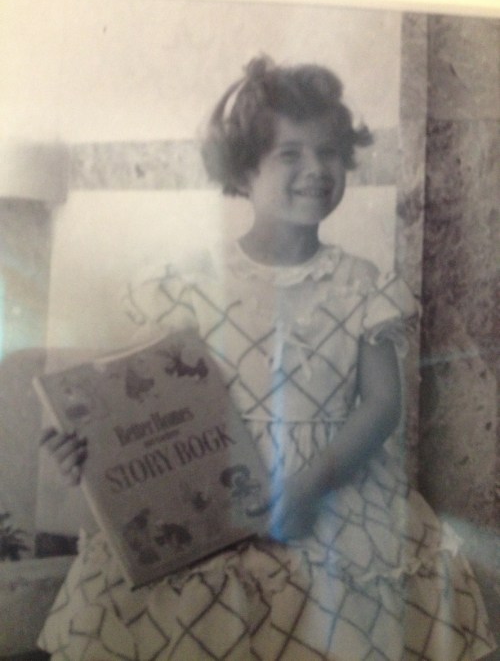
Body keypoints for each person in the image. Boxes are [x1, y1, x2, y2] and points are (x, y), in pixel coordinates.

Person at [38, 57, 495, 660]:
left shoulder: (364, 285)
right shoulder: (186, 284)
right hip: (210, 497)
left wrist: (309, 484)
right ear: (244, 169)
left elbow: (382, 406)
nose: (316, 170)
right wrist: (87, 450)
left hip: (332, 490)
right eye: (290, 154)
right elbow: (138, 410)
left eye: (330, 153)